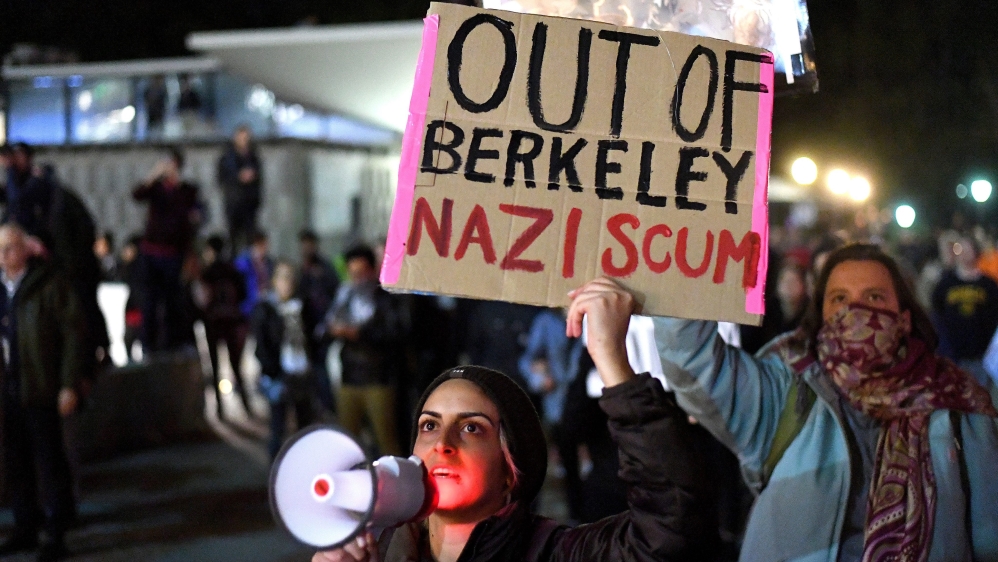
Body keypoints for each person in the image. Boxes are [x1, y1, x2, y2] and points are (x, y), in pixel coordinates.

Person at [312, 278, 718, 562]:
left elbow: (671, 527)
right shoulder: (377, 552)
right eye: (429, 425)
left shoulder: (557, 553)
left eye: (472, 427)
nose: (442, 444)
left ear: (511, 470)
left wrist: (610, 356)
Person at [638, 243, 998, 562]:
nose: (855, 311)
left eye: (874, 297)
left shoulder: (958, 404)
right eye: (839, 299)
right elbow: (693, 362)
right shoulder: (785, 389)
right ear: (821, 313)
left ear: (904, 319)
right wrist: (689, 255)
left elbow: (989, 537)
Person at [0, 223, 86, 562]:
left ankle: (56, 531)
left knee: (50, 461)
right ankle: (26, 527)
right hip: (9, 388)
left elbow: (72, 334)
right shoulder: (2, 289)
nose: (3, 255)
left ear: (26, 249)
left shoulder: (49, 284)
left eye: (9, 248)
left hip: (41, 386)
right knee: (16, 462)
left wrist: (68, 384)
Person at [321, 245, 403, 457]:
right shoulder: (344, 295)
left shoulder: (384, 298)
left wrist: (359, 334)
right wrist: (334, 331)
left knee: (386, 439)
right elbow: (325, 328)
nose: (357, 279)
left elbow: (393, 334)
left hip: (378, 379)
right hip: (349, 377)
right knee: (347, 440)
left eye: (361, 272)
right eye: (352, 273)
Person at [132, 148, 201, 353]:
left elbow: (194, 216)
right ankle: (148, 343)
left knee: (173, 300)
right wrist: (153, 175)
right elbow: (137, 194)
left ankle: (173, 343)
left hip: (174, 252)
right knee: (150, 300)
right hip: (151, 252)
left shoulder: (187, 191)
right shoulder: (155, 189)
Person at [252, 262, 316, 460]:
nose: (287, 283)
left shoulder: (302, 305)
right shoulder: (266, 308)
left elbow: (312, 335)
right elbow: (261, 344)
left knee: (305, 425)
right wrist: (271, 370)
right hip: (279, 375)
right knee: (278, 426)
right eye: (283, 278)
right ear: (274, 281)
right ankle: (276, 468)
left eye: (290, 278)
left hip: (302, 371)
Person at [196, 235, 253, 419]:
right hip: (231, 323)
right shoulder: (233, 270)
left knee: (215, 366)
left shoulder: (207, 273)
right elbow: (243, 294)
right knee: (236, 366)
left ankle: (220, 409)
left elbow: (201, 300)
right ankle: (246, 405)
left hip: (213, 323)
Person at [932, 236, 998, 378]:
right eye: (961, 249)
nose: (965, 254)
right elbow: (937, 315)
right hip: (954, 355)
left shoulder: (989, 285)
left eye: (969, 250)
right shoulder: (945, 284)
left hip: (983, 356)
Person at [295, 229, 339, 413]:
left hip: (322, 328)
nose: (307, 248)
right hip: (305, 328)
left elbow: (334, 295)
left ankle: (327, 406)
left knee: (321, 368)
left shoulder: (325, 269)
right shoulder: (301, 269)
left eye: (309, 244)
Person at [217, 125, 263, 253]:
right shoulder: (227, 157)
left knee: (250, 239)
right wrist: (238, 177)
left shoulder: (253, 157)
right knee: (233, 239)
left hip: (250, 205)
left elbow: (259, 180)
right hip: (234, 204)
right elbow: (222, 178)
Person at [234, 231, 273, 319]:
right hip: (247, 306)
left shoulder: (268, 262)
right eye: (262, 245)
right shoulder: (242, 263)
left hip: (263, 303)